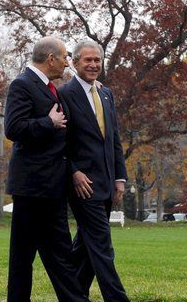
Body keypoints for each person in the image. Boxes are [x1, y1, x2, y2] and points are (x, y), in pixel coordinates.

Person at [4, 36, 88, 302]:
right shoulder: (22, 85)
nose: (67, 62)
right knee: (23, 257)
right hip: (31, 188)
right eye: (65, 57)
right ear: (51, 58)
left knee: (61, 253)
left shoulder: (51, 88)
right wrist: (47, 122)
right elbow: (13, 129)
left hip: (53, 187)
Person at [59, 40, 130, 302]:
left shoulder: (106, 94)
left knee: (86, 246)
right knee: (102, 244)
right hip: (83, 184)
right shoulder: (64, 95)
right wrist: (73, 172)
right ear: (74, 62)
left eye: (97, 60)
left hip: (107, 183)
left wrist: (119, 178)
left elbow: (113, 139)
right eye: (87, 60)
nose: (93, 64)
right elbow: (60, 142)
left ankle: (74, 295)